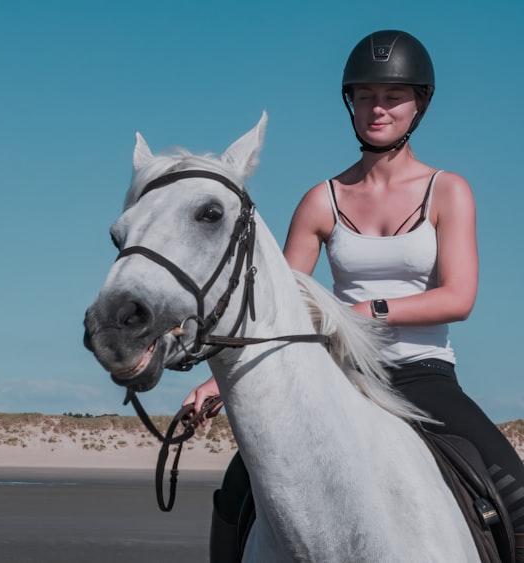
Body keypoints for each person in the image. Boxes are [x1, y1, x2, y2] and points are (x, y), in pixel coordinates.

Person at [185, 30, 524, 561]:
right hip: (341, 373)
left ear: (420, 104)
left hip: (422, 373)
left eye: (393, 97)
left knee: (518, 495)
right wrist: (214, 382)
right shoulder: (322, 200)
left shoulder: (448, 191)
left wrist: (366, 311)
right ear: (350, 102)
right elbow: (280, 306)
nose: (378, 108)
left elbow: (459, 297)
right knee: (236, 493)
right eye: (365, 95)